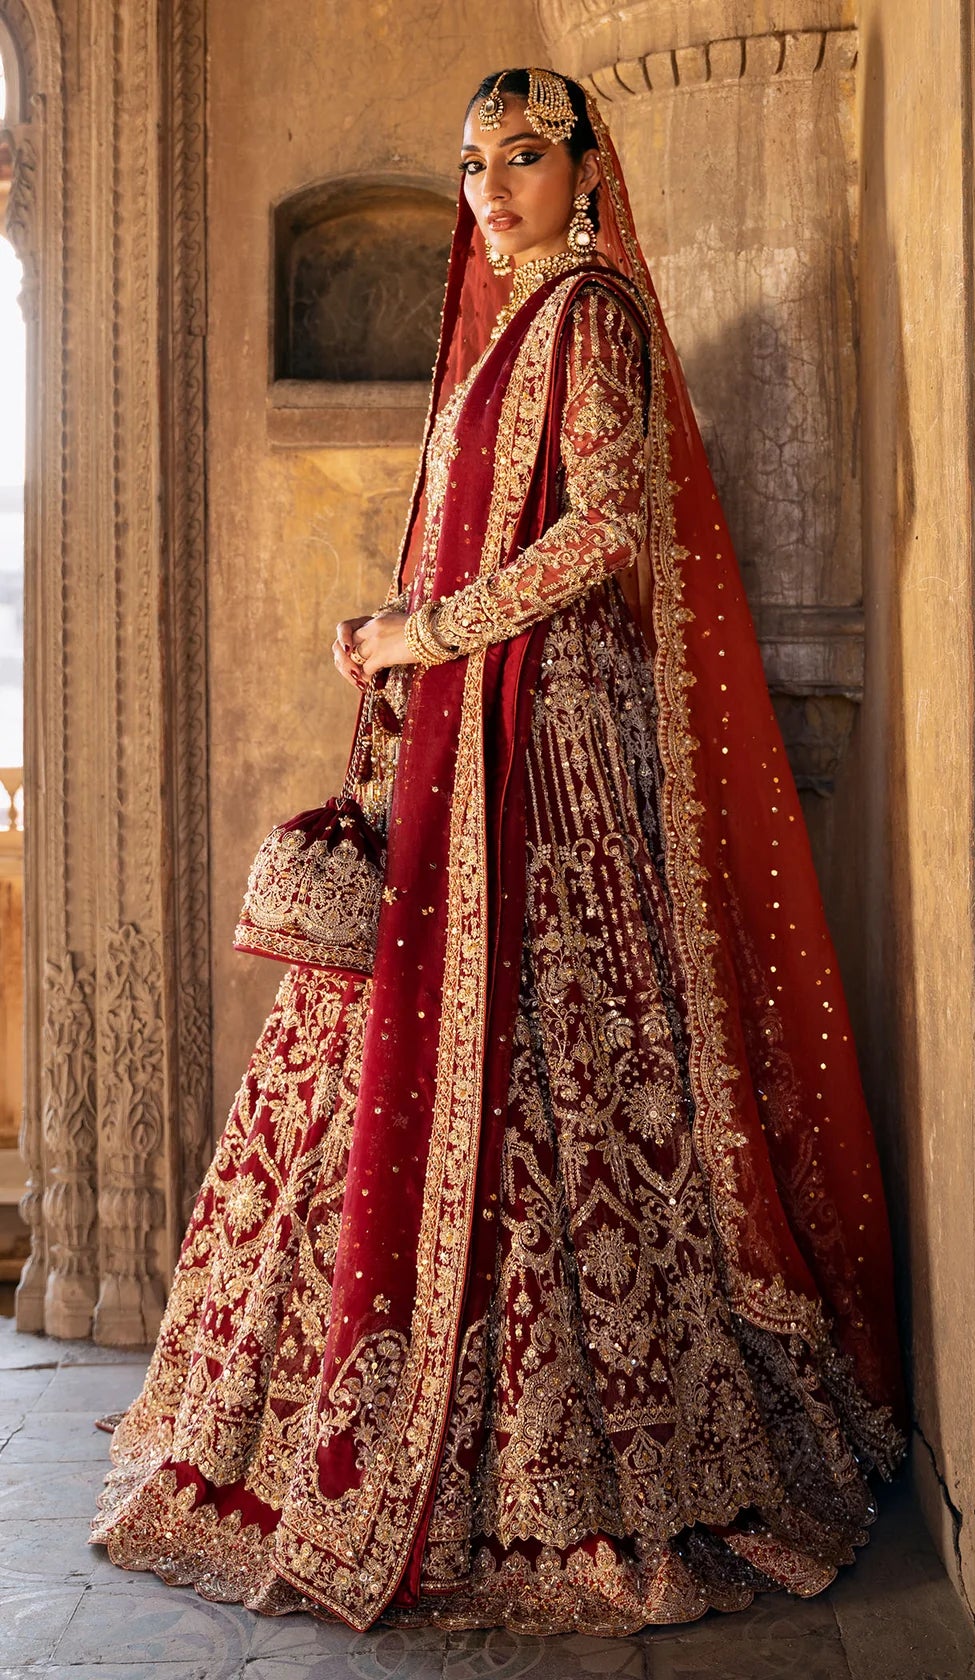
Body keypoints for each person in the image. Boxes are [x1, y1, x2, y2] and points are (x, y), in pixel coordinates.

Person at [90, 66, 907, 1638]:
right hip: (476, 729)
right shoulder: (503, 329)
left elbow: (605, 529)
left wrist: (430, 631)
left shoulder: (588, 315)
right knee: (430, 1051)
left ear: (587, 168)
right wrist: (395, 636)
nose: (490, 185)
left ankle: (589, 1464)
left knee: (563, 1080)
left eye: (523, 156)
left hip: (551, 751)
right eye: (473, 162)